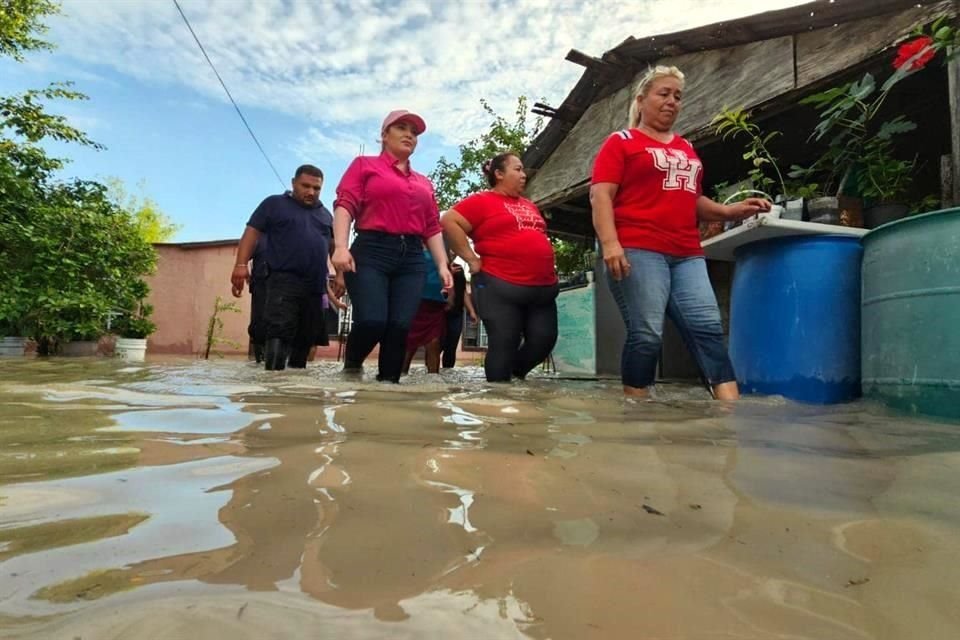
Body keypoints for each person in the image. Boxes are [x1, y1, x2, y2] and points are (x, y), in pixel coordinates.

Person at [589, 65, 771, 400]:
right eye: (664, 93)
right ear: (641, 100)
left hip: (687, 252)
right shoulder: (621, 142)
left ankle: (731, 417)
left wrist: (731, 210)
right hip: (637, 247)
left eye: (678, 96)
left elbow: (691, 199)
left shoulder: (686, 147)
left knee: (709, 331)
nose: (672, 101)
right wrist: (610, 243)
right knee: (646, 335)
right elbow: (601, 194)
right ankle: (637, 412)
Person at [332, 110, 452, 383]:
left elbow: (432, 226)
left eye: (414, 131)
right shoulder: (364, 165)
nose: (409, 134)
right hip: (371, 251)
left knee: (400, 327)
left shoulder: (424, 182)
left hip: (411, 258)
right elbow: (345, 204)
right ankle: (352, 364)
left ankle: (388, 386)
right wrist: (340, 246)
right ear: (385, 135)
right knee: (374, 321)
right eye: (401, 127)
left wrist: (442, 264)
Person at [441, 152, 559, 382]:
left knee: (544, 340)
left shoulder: (529, 205)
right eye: (518, 169)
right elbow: (448, 220)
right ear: (499, 174)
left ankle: (514, 375)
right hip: (499, 284)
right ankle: (499, 400)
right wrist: (471, 259)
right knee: (505, 341)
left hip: (542, 287)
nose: (523, 175)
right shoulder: (482, 200)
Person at [230, 165, 342, 370]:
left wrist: (341, 275)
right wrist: (240, 264)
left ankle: (293, 389)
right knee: (279, 330)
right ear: (293, 183)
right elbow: (251, 233)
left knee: (306, 336)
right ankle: (273, 382)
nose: (311, 192)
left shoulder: (325, 215)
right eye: (305, 186)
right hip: (282, 279)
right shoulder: (274, 204)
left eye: (316, 188)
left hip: (315, 285)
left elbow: (335, 247)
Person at [402, 249, 450, 375]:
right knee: (409, 341)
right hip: (414, 299)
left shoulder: (441, 248)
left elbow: (448, 275)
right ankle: (400, 375)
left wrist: (451, 297)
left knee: (434, 341)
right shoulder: (410, 246)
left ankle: (433, 378)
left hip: (436, 302)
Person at [440, 253, 477, 369]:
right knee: (436, 345)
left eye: (454, 251)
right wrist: (447, 272)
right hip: (439, 312)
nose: (452, 253)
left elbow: (464, 291)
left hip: (456, 313)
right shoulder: (435, 267)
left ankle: (448, 373)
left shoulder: (459, 269)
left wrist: (471, 311)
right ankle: (431, 374)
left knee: (451, 346)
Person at [247, 236, 269, 363]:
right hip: (260, 285)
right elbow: (244, 255)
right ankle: (259, 359)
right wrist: (242, 266)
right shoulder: (259, 238)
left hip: (283, 287)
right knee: (259, 324)